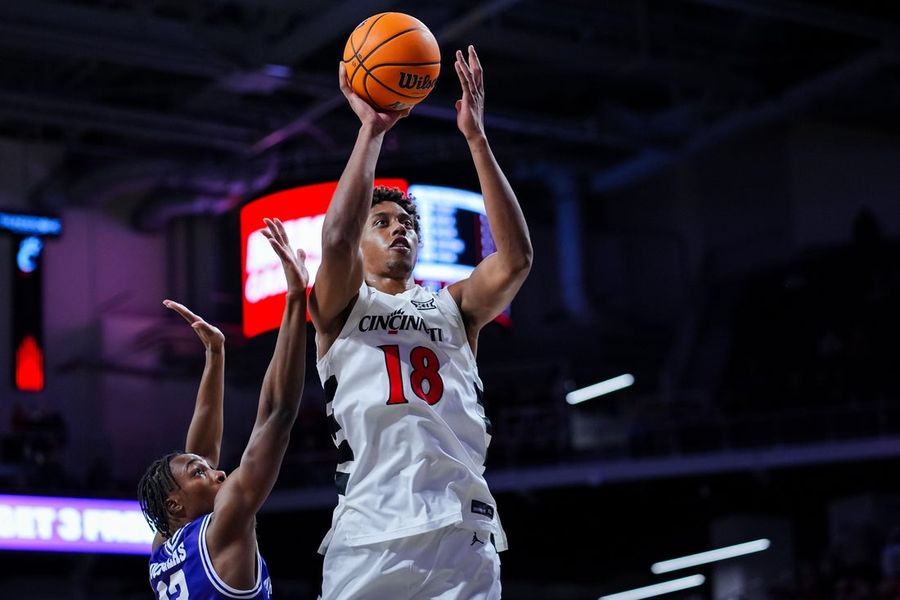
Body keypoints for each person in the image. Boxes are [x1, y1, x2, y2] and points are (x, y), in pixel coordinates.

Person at [310, 45, 532, 599]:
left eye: (406, 221)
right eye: (380, 221)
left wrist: (476, 139)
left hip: (462, 528)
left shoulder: (453, 306)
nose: (399, 228)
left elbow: (517, 259)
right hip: (368, 530)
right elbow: (335, 238)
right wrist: (372, 130)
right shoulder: (340, 307)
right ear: (361, 244)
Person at [138, 218, 308, 599]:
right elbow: (277, 414)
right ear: (175, 503)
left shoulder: (162, 547)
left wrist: (215, 355)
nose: (219, 472)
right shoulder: (226, 524)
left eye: (207, 471)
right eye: (203, 473)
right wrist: (296, 299)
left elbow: (199, 451)